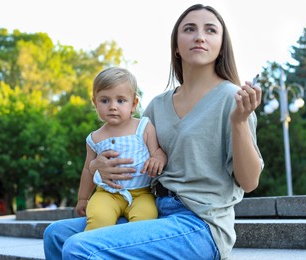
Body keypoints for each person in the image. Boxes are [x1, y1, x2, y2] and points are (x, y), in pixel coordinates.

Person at [44, 4, 264, 260]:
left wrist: (239, 123)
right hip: (152, 209)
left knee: (79, 248)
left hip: (200, 224)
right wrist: (99, 167)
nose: (200, 36)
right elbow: (137, 160)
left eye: (211, 30)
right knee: (56, 235)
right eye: (189, 29)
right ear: (176, 46)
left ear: (221, 45)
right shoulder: (157, 106)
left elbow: (249, 182)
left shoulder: (232, 99)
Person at [76, 67, 166, 231]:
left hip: (142, 193)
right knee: (98, 219)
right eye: (104, 101)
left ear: (134, 104)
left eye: (120, 100)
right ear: (95, 103)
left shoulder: (143, 127)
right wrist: (83, 198)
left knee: (145, 220)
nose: (112, 106)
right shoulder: (94, 138)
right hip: (107, 193)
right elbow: (88, 170)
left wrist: (157, 159)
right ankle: (97, 250)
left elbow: (157, 151)